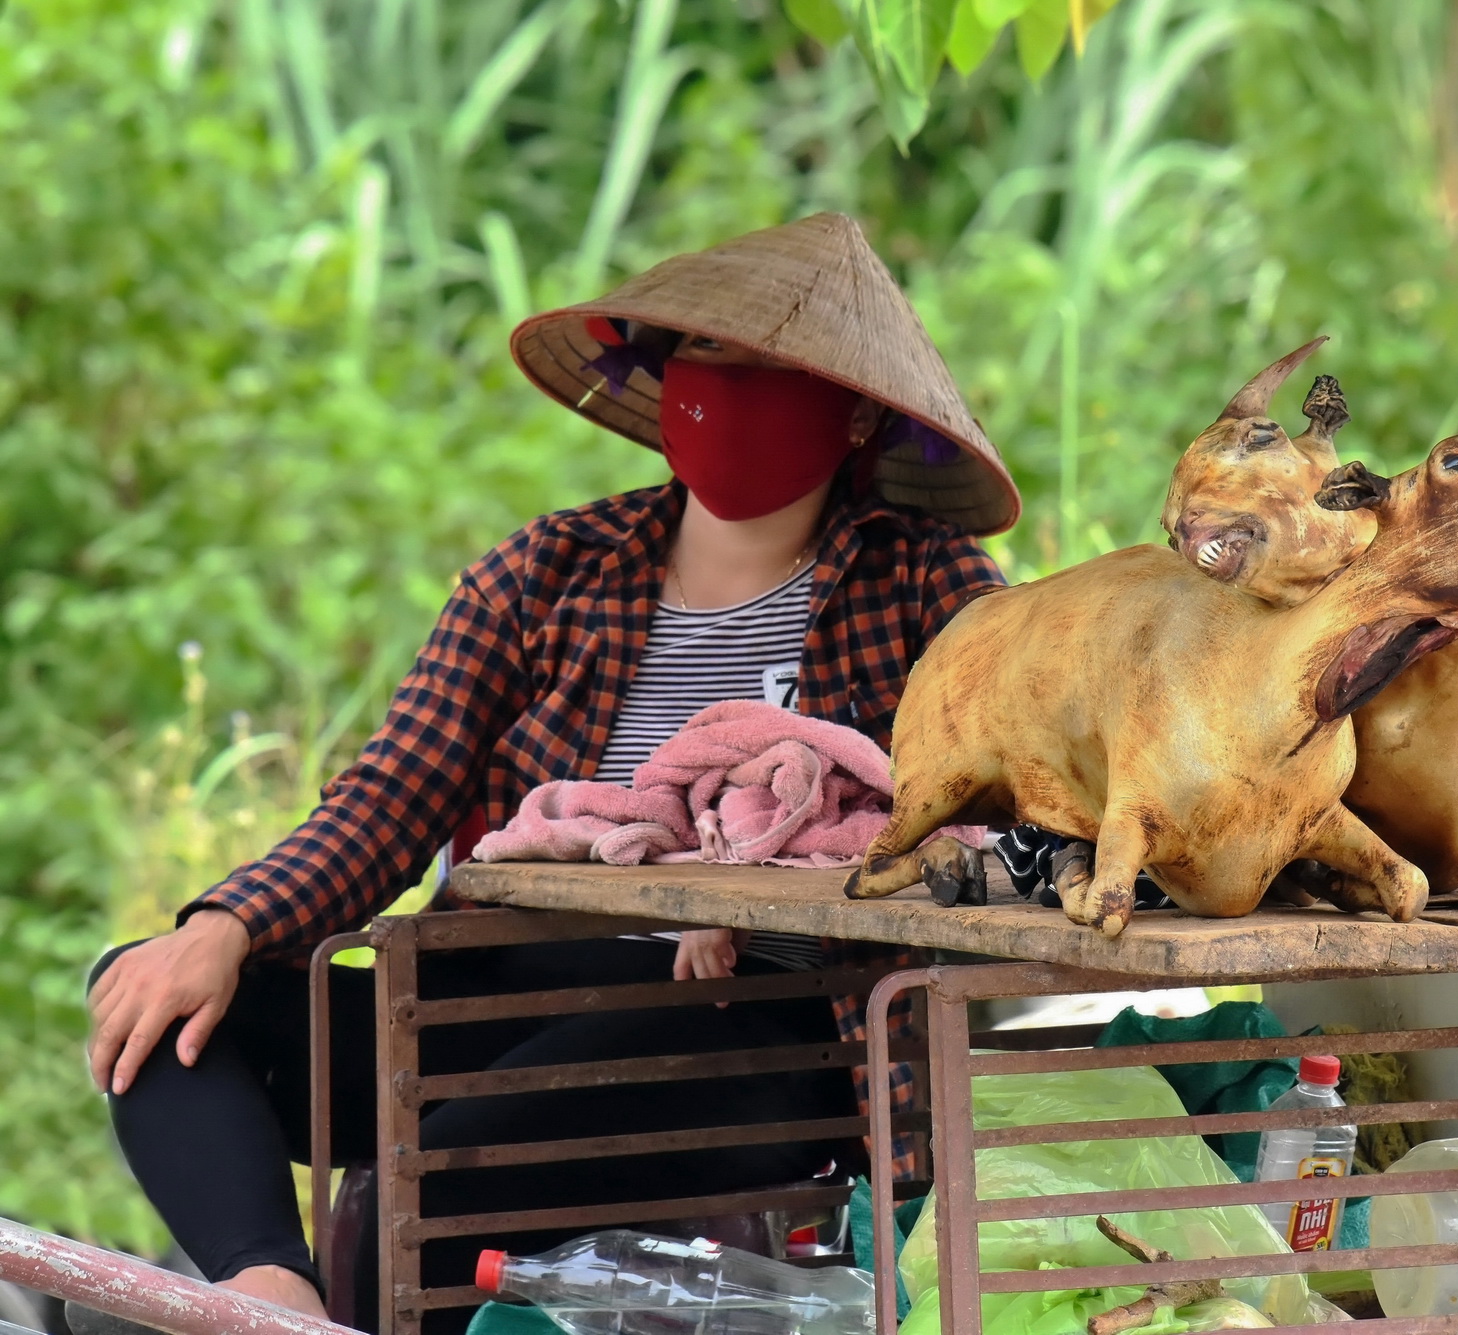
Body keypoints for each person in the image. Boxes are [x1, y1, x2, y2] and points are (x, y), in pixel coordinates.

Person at [81, 213, 1020, 1334]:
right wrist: (223, 926)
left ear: (855, 411)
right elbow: (389, 797)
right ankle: (270, 1297)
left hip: (763, 1008)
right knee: (157, 993)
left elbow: (991, 812)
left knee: (442, 1166)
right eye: (702, 363)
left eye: (770, 374)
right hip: (506, 974)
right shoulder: (545, 574)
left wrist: (769, 903)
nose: (724, 395)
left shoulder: (930, 588)